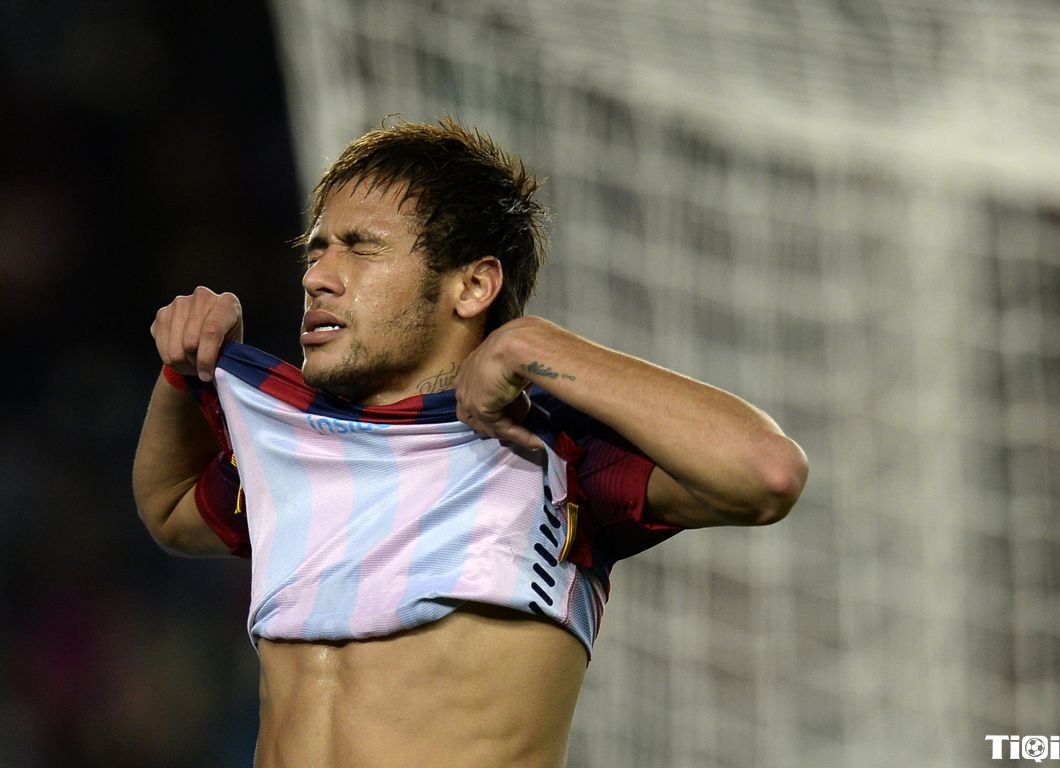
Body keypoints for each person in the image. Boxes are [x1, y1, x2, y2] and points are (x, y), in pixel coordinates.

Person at [132, 118, 808, 768]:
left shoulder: (552, 452)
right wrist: (184, 369)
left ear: (475, 285)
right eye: (317, 249)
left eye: (360, 248)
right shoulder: (293, 442)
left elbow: (766, 471)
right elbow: (168, 509)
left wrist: (535, 345)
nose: (317, 276)